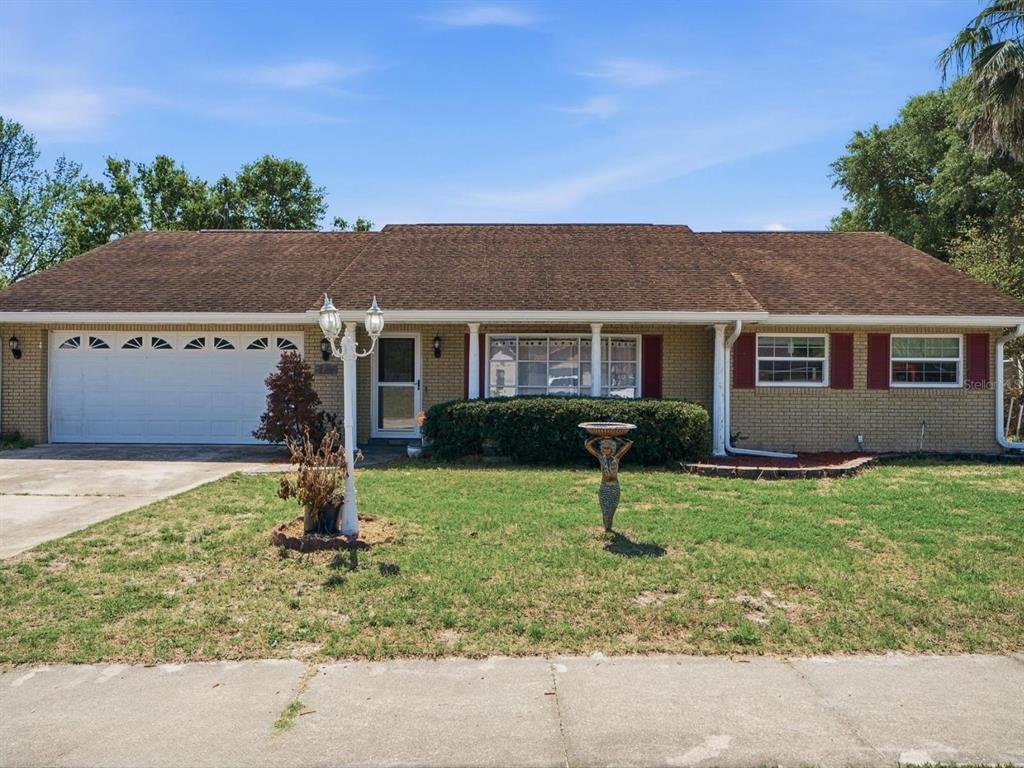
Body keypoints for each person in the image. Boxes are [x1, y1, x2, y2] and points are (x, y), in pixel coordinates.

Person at [584, 436, 633, 531]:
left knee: (611, 510)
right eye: (604, 448)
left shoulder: (617, 457)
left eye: (608, 448)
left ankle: (608, 528)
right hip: (604, 487)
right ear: (601, 449)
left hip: (614, 487)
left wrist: (616, 437)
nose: (606, 450)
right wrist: (598, 437)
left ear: (612, 448)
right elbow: (587, 444)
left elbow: (629, 443)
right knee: (605, 510)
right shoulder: (601, 457)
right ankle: (607, 528)